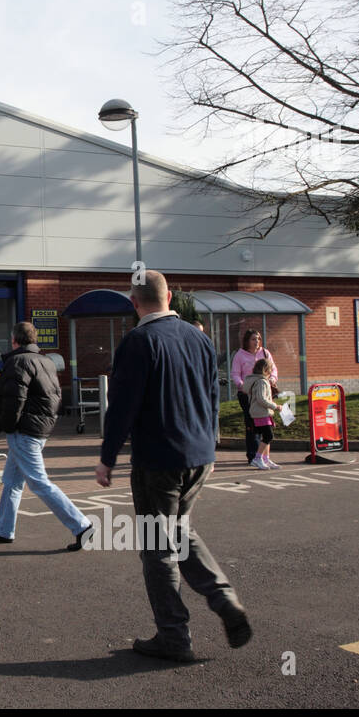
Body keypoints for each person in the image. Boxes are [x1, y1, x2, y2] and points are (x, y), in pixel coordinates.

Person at [96, 270, 252, 662]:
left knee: (156, 546)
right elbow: (211, 395)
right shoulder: (199, 339)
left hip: (158, 460)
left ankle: (173, 635)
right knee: (179, 531)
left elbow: (122, 408)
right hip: (198, 455)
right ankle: (222, 598)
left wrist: (107, 457)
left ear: (135, 303)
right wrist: (211, 445)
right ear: (169, 298)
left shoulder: (137, 341)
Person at [0, 322, 91, 549]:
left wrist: (1, 427)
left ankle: (82, 525)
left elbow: (14, 401)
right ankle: (4, 529)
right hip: (38, 429)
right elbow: (55, 396)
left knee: (39, 483)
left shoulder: (17, 362)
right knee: (12, 481)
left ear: (15, 340)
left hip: (24, 431)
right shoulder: (45, 361)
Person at [230, 329, 278, 468]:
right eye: (253, 339)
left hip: (264, 391)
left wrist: (272, 379)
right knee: (252, 425)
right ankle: (253, 456)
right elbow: (235, 373)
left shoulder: (265, 353)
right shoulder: (240, 355)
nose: (256, 342)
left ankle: (263, 457)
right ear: (247, 341)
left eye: (258, 339)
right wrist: (242, 385)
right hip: (247, 395)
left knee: (266, 425)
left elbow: (273, 368)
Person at [245, 358, 281, 470]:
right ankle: (257, 458)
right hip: (261, 413)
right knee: (268, 435)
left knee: (265, 436)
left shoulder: (255, 380)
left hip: (261, 412)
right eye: (270, 369)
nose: (271, 372)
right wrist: (275, 406)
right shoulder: (262, 381)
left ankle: (265, 458)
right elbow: (261, 399)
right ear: (265, 369)